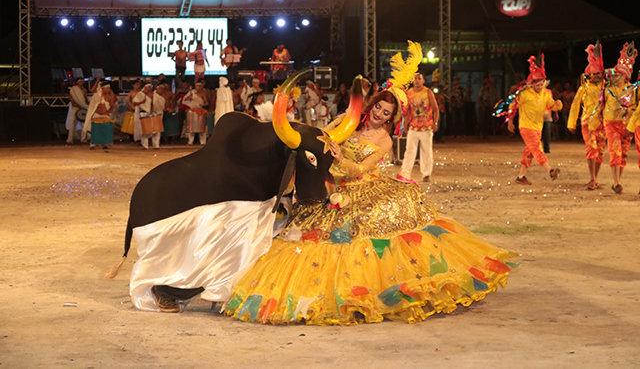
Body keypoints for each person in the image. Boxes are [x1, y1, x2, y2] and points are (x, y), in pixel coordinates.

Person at [224, 43, 517, 325]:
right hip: (331, 183)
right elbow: (319, 137)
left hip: (362, 184)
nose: (379, 114)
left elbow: (361, 169)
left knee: (364, 225)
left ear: (392, 119)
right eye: (378, 108)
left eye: (386, 113)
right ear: (373, 105)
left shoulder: (385, 141)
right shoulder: (346, 120)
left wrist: (341, 158)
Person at [507, 54, 562, 185]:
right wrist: (510, 121)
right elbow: (512, 107)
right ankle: (550, 170)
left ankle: (521, 176)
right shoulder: (524, 94)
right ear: (532, 84)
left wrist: (558, 105)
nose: (540, 87)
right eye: (537, 85)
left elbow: (552, 105)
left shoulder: (545, 94)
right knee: (537, 149)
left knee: (529, 152)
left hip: (538, 127)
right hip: (526, 127)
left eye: (542, 84)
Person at [567, 41, 607, 190]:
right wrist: (571, 123)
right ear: (588, 75)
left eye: (598, 74)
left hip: (603, 124)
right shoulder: (584, 88)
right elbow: (575, 105)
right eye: (593, 74)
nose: (596, 76)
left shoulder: (606, 88)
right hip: (588, 123)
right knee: (592, 149)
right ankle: (592, 179)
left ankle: (595, 179)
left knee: (601, 153)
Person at [603, 42, 637, 194]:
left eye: (617, 75)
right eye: (614, 75)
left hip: (627, 125)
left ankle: (618, 181)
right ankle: (616, 182)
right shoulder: (608, 90)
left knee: (623, 153)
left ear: (625, 76)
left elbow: (635, 107)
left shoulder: (632, 90)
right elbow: (602, 107)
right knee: (614, 151)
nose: (615, 77)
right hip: (611, 123)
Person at [399, 72, 439, 183]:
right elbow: (408, 112)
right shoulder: (409, 93)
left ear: (423, 80)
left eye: (419, 78)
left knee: (426, 151)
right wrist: (405, 125)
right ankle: (405, 172)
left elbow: (436, 109)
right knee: (409, 151)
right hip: (413, 127)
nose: (417, 81)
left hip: (426, 127)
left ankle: (426, 174)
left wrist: (435, 123)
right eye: (415, 79)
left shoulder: (428, 92)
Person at [83, 83, 117, 150]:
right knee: (95, 129)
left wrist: (106, 113)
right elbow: (94, 107)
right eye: (107, 88)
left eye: (109, 88)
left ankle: (104, 144)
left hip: (105, 115)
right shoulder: (97, 96)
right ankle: (93, 144)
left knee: (107, 127)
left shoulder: (110, 96)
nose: (108, 89)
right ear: (102, 88)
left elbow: (112, 107)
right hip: (96, 114)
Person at [133, 83, 165, 150]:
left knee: (156, 130)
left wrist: (153, 110)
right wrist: (142, 101)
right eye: (147, 87)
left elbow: (154, 104)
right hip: (143, 113)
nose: (149, 88)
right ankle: (145, 146)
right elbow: (134, 103)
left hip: (153, 113)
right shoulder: (140, 94)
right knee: (145, 130)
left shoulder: (154, 95)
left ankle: (156, 145)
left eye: (150, 87)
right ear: (144, 87)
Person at [183, 79, 210, 145]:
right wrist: (190, 97)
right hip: (192, 110)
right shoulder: (192, 92)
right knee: (191, 127)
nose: (198, 88)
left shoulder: (203, 93)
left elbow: (206, 103)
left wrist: (202, 104)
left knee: (201, 127)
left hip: (200, 110)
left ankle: (203, 142)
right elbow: (184, 100)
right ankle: (190, 142)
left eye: (199, 86)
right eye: (197, 86)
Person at [65, 78, 89, 144]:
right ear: (77, 82)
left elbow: (85, 100)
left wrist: (88, 105)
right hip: (75, 108)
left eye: (82, 81)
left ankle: (83, 139)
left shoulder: (84, 90)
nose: (81, 82)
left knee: (84, 125)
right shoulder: (73, 89)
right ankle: (69, 140)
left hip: (82, 109)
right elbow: (71, 98)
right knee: (72, 124)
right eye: (79, 81)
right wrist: (75, 102)